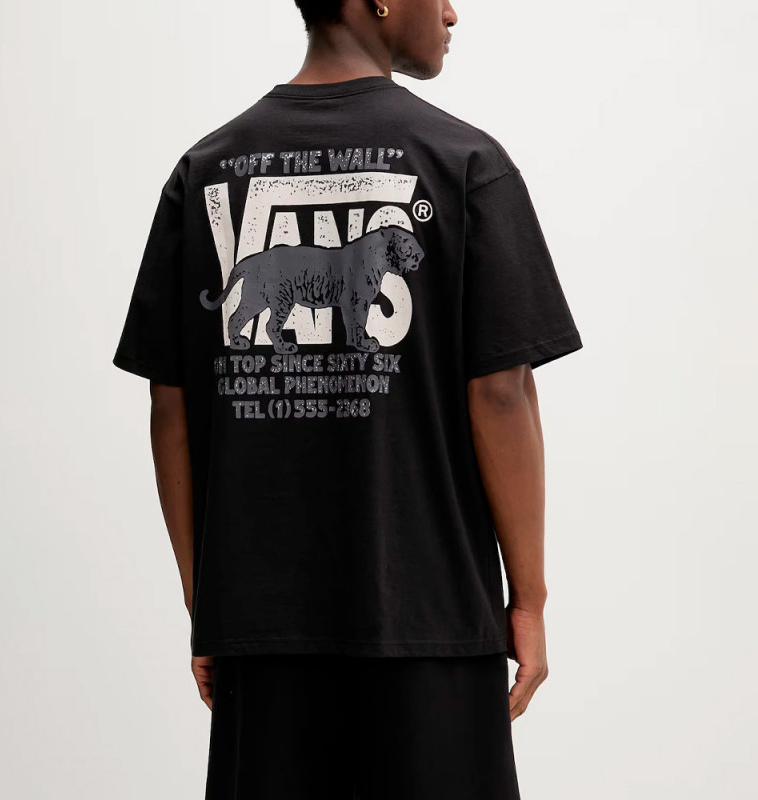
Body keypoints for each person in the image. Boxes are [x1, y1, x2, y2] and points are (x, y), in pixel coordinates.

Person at [112, 0, 582, 797]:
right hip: (434, 617)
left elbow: (172, 406)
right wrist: (528, 600)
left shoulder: (204, 170)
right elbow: (502, 393)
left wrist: (209, 603)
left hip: (262, 630)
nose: (453, 12)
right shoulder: (465, 161)